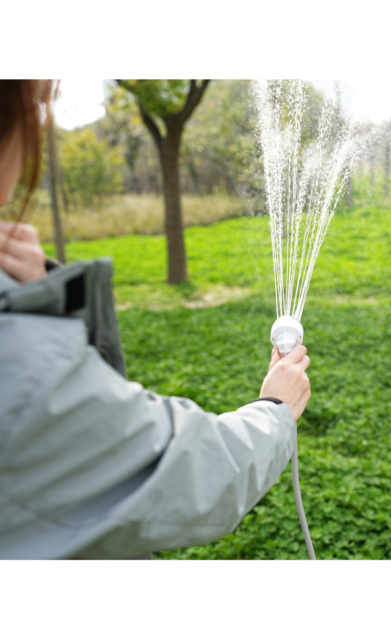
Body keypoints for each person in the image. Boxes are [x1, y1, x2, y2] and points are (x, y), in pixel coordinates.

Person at [0, 80, 311, 559]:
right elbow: (181, 473)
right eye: (38, 104)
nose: (38, 127)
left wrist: (40, 298)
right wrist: (275, 408)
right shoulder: (16, 353)